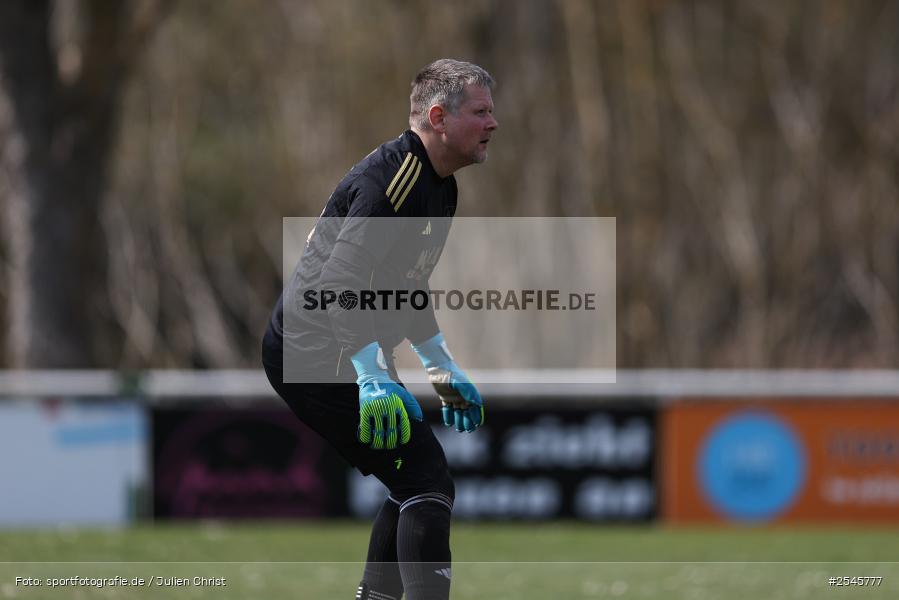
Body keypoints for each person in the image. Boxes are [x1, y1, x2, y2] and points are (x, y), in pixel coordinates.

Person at [262, 59, 498, 600]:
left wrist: (439, 362)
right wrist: (371, 375)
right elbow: (340, 280)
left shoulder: (440, 186)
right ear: (439, 117)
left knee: (415, 478)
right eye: (482, 111)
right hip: (313, 349)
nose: (493, 123)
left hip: (345, 342)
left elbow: (403, 284)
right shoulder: (394, 182)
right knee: (424, 477)